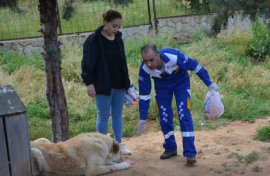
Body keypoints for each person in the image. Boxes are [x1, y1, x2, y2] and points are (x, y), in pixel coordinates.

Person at [137, 44, 219, 165]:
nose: (149, 64)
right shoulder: (144, 68)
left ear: (158, 54)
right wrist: (143, 117)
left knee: (183, 113)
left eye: (151, 60)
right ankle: (170, 148)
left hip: (181, 82)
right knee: (164, 116)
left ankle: (190, 152)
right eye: (145, 61)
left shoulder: (173, 56)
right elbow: (144, 94)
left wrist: (209, 83)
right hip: (162, 85)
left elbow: (195, 66)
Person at [81, 10, 131, 155]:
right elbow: (87, 63)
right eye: (114, 26)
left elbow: (123, 62)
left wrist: (126, 84)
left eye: (119, 26)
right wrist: (89, 83)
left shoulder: (118, 39)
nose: (116, 29)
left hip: (119, 84)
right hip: (102, 85)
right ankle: (102, 146)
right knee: (103, 116)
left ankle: (118, 144)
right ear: (105, 23)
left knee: (117, 115)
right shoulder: (94, 40)